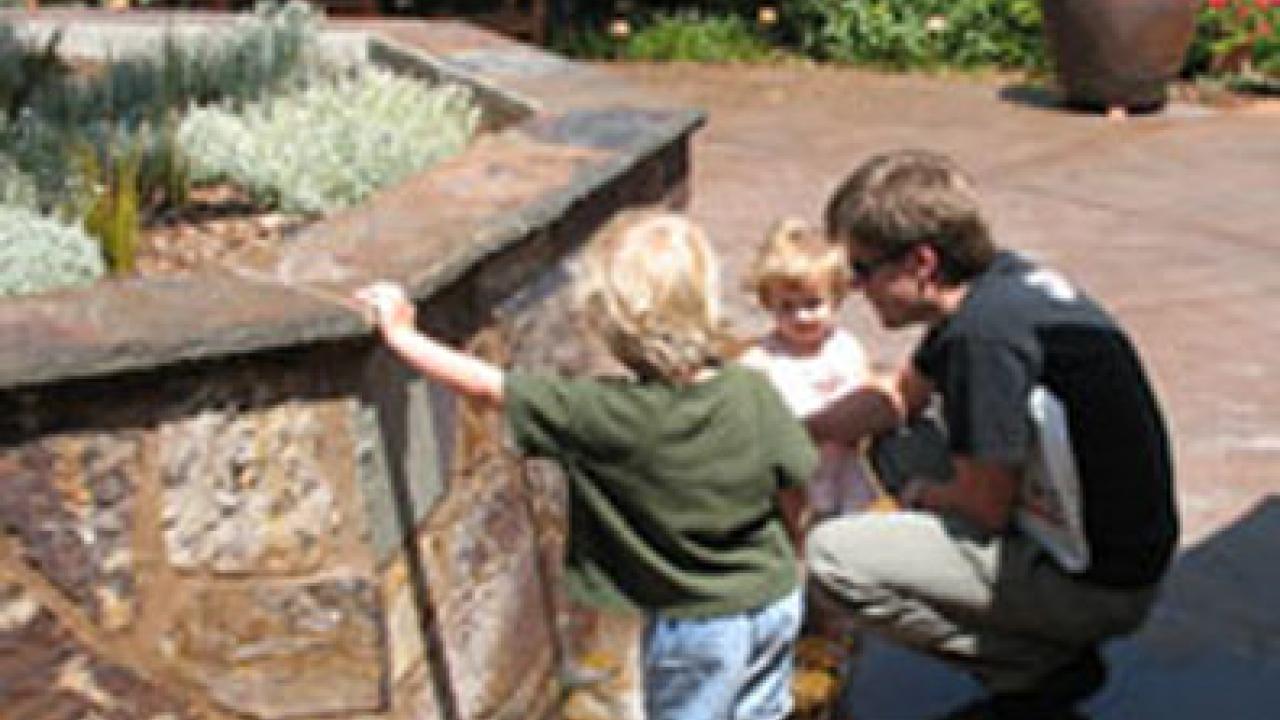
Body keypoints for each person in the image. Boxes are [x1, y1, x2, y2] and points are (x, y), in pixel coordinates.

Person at [353, 208, 818, 720]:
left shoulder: (603, 413)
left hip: (698, 626)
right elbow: (794, 487)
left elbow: (488, 385)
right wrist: (793, 553)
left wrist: (404, 337)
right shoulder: (750, 391)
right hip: (774, 602)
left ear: (608, 321)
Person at [803, 149, 1179, 720]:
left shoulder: (985, 342)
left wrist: (914, 503)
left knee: (833, 558)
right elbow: (899, 396)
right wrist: (796, 430)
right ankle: (1037, 634)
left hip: (1100, 583)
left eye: (862, 270)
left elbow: (983, 508)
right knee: (898, 444)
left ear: (921, 263)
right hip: (1107, 538)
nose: (855, 288)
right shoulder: (997, 286)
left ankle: (1030, 667)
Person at [741, 217, 877, 525]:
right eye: (786, 307)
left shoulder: (845, 349)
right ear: (768, 304)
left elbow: (868, 399)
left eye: (813, 304)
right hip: (791, 484)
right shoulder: (761, 360)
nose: (801, 317)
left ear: (836, 298)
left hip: (843, 472)